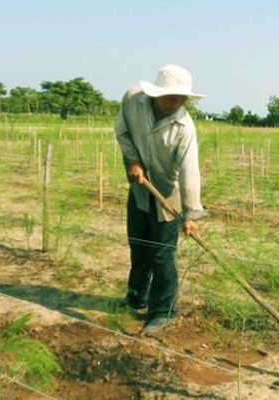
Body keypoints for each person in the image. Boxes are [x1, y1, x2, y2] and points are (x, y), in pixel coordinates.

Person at [114, 64, 207, 335]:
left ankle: (163, 311)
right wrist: (132, 159)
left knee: (162, 255)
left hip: (169, 194)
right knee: (138, 246)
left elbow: (190, 170)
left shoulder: (184, 126)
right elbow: (122, 131)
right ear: (156, 94)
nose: (176, 103)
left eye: (182, 98)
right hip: (141, 190)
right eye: (171, 97)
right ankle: (136, 296)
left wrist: (190, 214)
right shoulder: (132, 100)